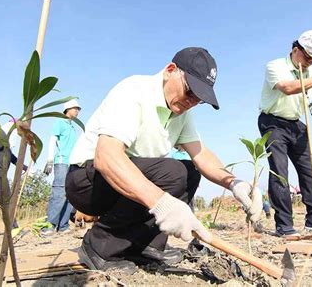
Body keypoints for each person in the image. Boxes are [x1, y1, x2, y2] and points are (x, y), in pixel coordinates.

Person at [66, 47, 262, 273]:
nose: (192, 102)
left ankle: (146, 245)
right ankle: (100, 246)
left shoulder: (181, 112)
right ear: (170, 70)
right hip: (88, 182)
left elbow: (201, 154)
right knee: (173, 173)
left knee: (189, 172)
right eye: (190, 92)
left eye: (199, 99)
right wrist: (162, 204)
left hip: (124, 181)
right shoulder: (134, 91)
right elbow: (106, 157)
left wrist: (234, 183)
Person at [258, 30, 312, 237]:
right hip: (272, 123)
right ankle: (284, 226)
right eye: (307, 57)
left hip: (296, 125)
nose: (309, 62)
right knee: (280, 172)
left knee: (310, 173)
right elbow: (288, 88)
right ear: (295, 49)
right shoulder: (275, 66)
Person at [42, 99, 81, 235]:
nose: (77, 111)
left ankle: (63, 226)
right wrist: (50, 159)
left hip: (72, 163)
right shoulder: (60, 122)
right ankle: (49, 225)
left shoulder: (72, 126)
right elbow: (53, 139)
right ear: (68, 109)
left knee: (70, 193)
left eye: (78, 109)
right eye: (75, 108)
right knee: (59, 192)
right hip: (62, 161)